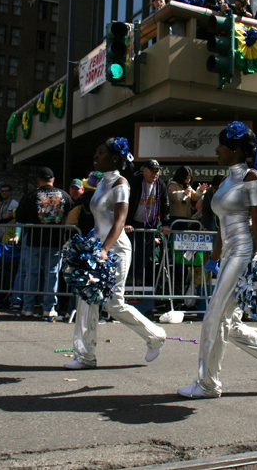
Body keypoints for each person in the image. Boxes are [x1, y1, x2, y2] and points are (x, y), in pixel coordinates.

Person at [178, 122, 257, 398]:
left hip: (244, 254)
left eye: (221, 145)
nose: (216, 149)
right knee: (227, 323)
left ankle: (207, 384)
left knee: (213, 316)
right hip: (229, 253)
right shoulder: (227, 179)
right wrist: (214, 258)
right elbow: (221, 225)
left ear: (236, 149)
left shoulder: (253, 179)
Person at [66, 137, 167, 370]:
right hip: (96, 248)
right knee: (86, 300)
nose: (95, 156)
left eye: (100, 152)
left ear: (114, 157)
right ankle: (84, 356)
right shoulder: (101, 182)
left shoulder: (121, 184)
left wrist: (104, 249)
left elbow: (120, 220)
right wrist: (94, 246)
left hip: (115, 249)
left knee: (113, 304)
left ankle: (156, 336)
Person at [15, 167, 74, 318]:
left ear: (39, 180)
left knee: (31, 274)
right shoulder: (64, 196)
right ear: (52, 180)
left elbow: (20, 217)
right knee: (51, 274)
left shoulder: (31, 195)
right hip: (56, 241)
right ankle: (49, 308)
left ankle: (28, 307)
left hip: (34, 240)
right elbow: (73, 213)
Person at [126, 159, 171, 285]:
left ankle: (139, 278)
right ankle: (129, 277)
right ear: (144, 171)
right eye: (152, 171)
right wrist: (126, 222)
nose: (155, 174)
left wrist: (166, 223)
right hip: (133, 223)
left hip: (150, 224)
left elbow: (165, 204)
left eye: (157, 171)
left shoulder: (160, 185)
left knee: (145, 253)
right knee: (131, 251)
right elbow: (127, 204)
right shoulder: (135, 182)